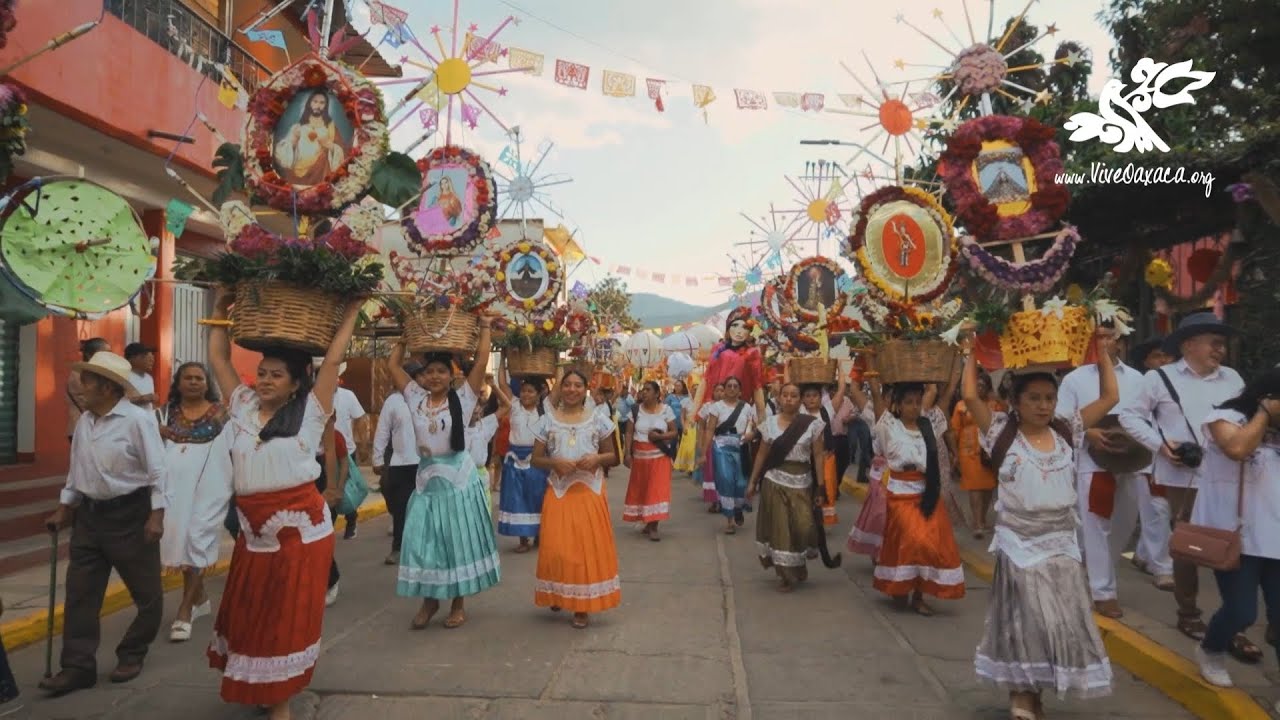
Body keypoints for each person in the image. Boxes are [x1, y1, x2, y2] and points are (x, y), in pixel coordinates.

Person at [204, 289, 360, 720]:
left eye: (276, 375)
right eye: (262, 372)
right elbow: (219, 360)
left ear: (296, 383)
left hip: (300, 537)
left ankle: (281, 703)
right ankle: (263, 686)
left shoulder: (310, 412)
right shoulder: (242, 406)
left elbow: (331, 360)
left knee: (282, 620)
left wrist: (351, 308)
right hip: (252, 534)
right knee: (250, 613)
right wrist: (219, 309)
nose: (265, 380)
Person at [962, 327, 1118, 718]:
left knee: (1058, 624)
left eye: (1049, 398)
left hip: (1062, 546)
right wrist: (970, 349)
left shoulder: (1068, 430)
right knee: (1024, 623)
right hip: (1018, 545)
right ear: (1014, 401)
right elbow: (968, 395)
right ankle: (1021, 694)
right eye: (1034, 399)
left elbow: (1111, 397)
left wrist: (1100, 350)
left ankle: (1037, 693)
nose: (1044, 406)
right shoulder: (1000, 432)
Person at [1119, 312, 1257, 659]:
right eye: (1214, 342)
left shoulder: (1233, 378)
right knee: (1188, 547)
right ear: (1189, 344)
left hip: (1229, 476)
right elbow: (1129, 416)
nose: (1220, 350)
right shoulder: (1159, 378)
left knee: (1234, 547)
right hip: (1184, 476)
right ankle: (1189, 612)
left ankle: (1233, 623)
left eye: (1222, 344)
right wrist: (1160, 446)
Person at [40, 350, 167, 696]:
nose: (81, 385)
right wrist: (65, 507)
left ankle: (132, 651)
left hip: (131, 514)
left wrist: (157, 514)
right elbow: (77, 468)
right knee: (81, 594)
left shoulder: (139, 420)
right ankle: (77, 666)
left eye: (90, 380)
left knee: (148, 596)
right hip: (90, 518)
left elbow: (158, 470)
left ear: (110, 388)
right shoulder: (85, 421)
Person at [387, 320, 500, 631]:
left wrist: (486, 328)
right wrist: (403, 336)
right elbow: (392, 364)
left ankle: (457, 604)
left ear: (452, 376)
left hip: (458, 482)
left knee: (455, 543)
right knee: (424, 543)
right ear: (422, 377)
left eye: (441, 371)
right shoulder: (414, 397)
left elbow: (481, 359)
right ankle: (429, 600)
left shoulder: (463, 398)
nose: (434, 376)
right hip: (425, 481)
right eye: (429, 372)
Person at [1057, 332, 1163, 620]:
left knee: (1126, 522)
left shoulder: (1139, 379)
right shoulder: (1074, 379)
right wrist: (1089, 432)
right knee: (1096, 523)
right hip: (1094, 459)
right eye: (1098, 337)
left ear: (1120, 341)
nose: (1104, 342)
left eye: (1109, 336)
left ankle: (1096, 567)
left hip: (1133, 457)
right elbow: (1062, 419)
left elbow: (1149, 418)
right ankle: (1103, 592)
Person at [1192, 367, 1280, 687]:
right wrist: (1264, 414)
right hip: (1238, 537)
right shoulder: (1225, 417)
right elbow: (1238, 449)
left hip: (1277, 537)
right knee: (1242, 612)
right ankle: (1211, 649)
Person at [530, 370, 621, 628]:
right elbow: (536, 459)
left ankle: (582, 605)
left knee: (584, 550)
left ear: (585, 389)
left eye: (577, 385)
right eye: (566, 385)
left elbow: (614, 456)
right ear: (560, 388)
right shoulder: (546, 421)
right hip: (559, 490)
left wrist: (597, 459)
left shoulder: (599, 419)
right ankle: (560, 593)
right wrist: (554, 462)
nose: (571, 390)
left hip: (588, 491)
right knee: (557, 548)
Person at [869, 381, 964, 614]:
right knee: (908, 542)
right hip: (899, 493)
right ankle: (900, 587)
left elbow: (945, 396)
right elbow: (874, 390)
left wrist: (955, 365)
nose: (913, 407)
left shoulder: (928, 425)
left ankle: (919, 595)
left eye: (917, 402)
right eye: (908, 403)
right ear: (898, 406)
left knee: (927, 545)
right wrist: (871, 370)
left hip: (925, 493)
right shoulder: (889, 426)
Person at [158, 362, 232, 643]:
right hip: (174, 491)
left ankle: (185, 610)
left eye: (199, 378)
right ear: (178, 383)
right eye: (187, 378)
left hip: (211, 489)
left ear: (206, 383)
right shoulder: (164, 414)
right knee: (180, 541)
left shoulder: (221, 414)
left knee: (197, 539)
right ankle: (199, 597)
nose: (193, 382)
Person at [747, 382, 825, 592]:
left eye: (794, 395)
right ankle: (785, 574)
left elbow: (818, 455)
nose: (789, 399)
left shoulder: (812, 425)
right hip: (774, 481)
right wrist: (753, 482)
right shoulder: (769, 424)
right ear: (779, 398)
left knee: (803, 526)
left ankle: (798, 563)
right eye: (786, 395)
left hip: (802, 483)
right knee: (780, 529)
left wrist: (821, 487)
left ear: (800, 400)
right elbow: (762, 455)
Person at [372, 361, 425, 566]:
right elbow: (383, 431)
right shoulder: (394, 402)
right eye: (418, 376)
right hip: (402, 464)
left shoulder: (430, 399)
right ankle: (398, 547)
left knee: (425, 508)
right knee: (401, 508)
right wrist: (377, 459)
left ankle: (422, 548)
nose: (422, 380)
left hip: (425, 464)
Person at [495, 362, 550, 552]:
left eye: (530, 391)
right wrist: (502, 357)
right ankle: (523, 540)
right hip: (514, 460)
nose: (526, 394)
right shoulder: (514, 405)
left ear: (539, 394)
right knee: (517, 499)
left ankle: (539, 535)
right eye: (524, 390)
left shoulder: (545, 410)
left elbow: (558, 387)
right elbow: (502, 383)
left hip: (537, 460)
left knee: (537, 497)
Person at [949, 370, 1005, 538]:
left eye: (982, 386)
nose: (979, 389)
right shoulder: (961, 406)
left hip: (988, 451)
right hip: (968, 450)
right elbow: (953, 430)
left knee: (988, 486)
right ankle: (977, 523)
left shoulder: (994, 405)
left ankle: (982, 519)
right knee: (974, 487)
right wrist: (954, 453)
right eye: (976, 385)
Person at [698, 376, 758, 534]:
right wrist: (704, 453)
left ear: (740, 390)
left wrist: (751, 435)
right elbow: (710, 430)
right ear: (724, 389)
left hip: (741, 446)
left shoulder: (746, 407)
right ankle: (730, 519)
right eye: (729, 386)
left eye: (735, 386)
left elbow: (752, 426)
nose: (732, 389)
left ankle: (737, 507)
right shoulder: (716, 407)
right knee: (725, 479)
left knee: (740, 483)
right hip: (721, 447)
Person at [623, 381, 678, 540]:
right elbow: (628, 433)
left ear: (656, 393)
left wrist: (660, 436)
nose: (644, 392)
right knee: (643, 490)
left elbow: (674, 432)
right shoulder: (634, 410)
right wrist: (627, 453)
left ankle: (654, 526)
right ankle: (648, 522)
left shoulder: (666, 410)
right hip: (640, 459)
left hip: (660, 458)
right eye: (643, 390)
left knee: (656, 491)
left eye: (648, 390)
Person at [325, 361, 367, 539]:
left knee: (347, 491)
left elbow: (360, 419)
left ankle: (351, 518)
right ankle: (327, 530)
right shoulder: (314, 397)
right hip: (323, 452)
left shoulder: (348, 396)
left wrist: (363, 445)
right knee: (329, 490)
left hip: (346, 452)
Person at [275, 89, 347, 186]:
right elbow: (282, 156)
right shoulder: (297, 127)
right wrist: (293, 141)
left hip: (321, 172)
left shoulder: (331, 127)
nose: (318, 106)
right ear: (309, 103)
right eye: (315, 101)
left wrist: (329, 145)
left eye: (322, 103)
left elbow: (343, 153)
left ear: (326, 106)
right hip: (296, 175)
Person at [67, 337, 109, 442]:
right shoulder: (78, 374)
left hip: (98, 428)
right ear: (89, 355)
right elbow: (87, 403)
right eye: (104, 353)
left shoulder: (99, 373)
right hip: (82, 428)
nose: (108, 357)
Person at [124, 342, 158, 413]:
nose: (151, 361)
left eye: (152, 358)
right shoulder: (124, 376)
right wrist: (142, 399)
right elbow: (117, 402)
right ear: (132, 358)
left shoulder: (149, 378)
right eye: (145, 356)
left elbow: (151, 405)